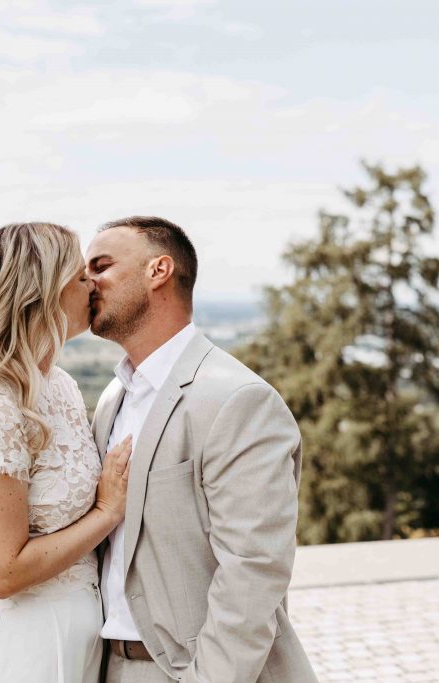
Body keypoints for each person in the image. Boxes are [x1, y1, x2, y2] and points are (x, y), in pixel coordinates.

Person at [86, 216, 318, 683]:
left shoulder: (237, 398)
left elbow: (253, 571)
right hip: (106, 667)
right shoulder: (114, 398)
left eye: (102, 265)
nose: (86, 281)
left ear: (159, 271)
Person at [0, 222, 132, 683]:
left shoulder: (59, 386)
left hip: (78, 640)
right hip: (26, 650)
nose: (93, 284)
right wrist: (107, 512)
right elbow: (3, 573)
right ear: (43, 293)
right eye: (80, 275)